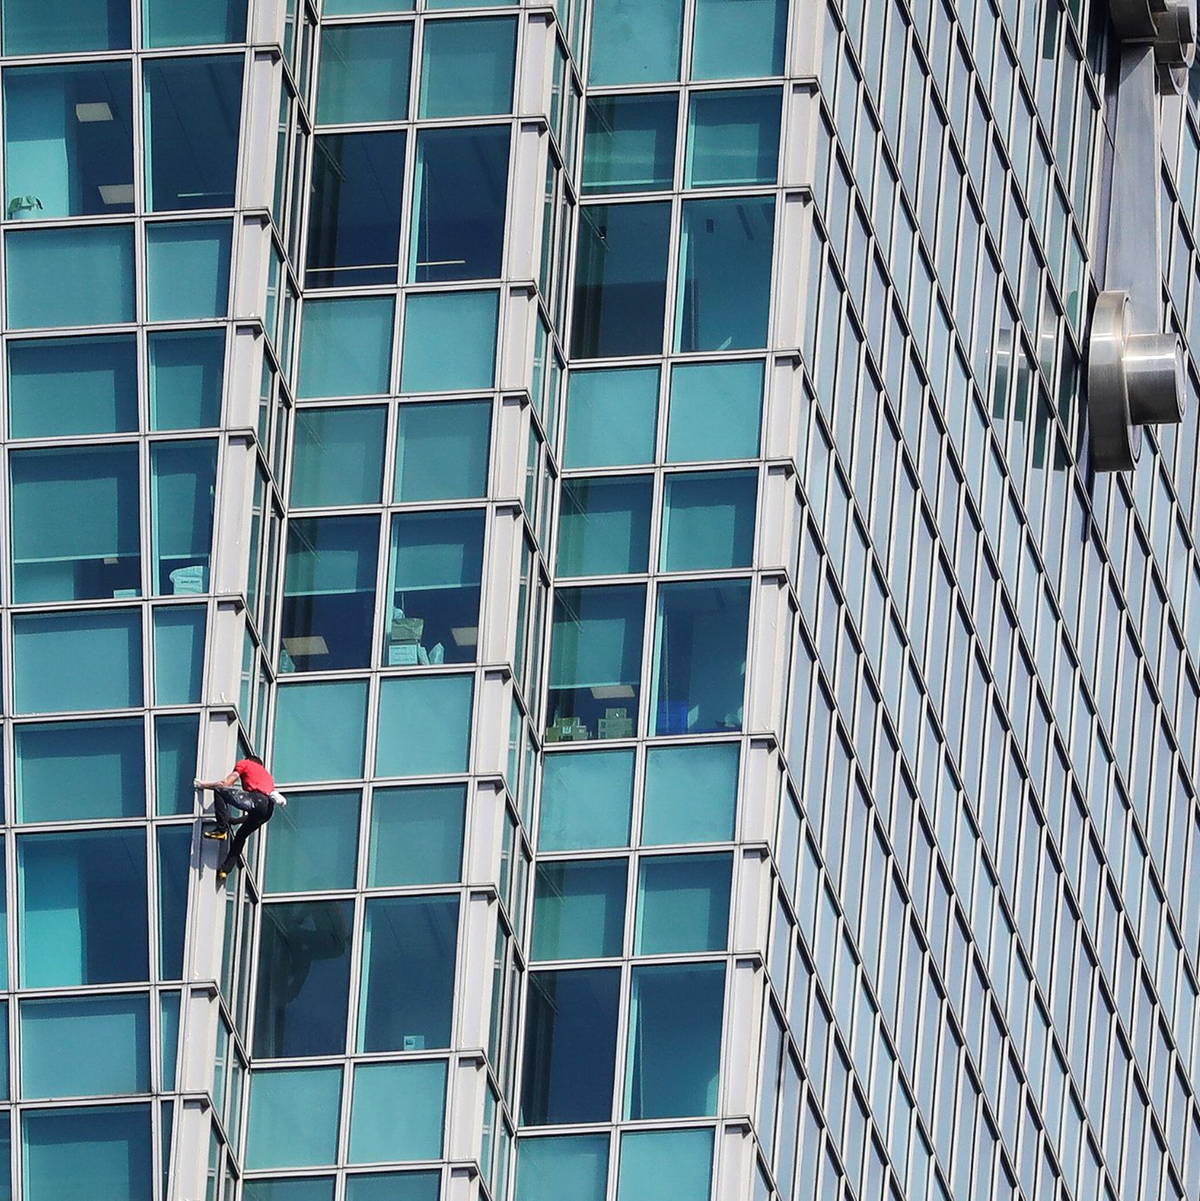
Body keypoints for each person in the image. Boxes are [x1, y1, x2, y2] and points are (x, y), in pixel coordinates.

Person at [194, 754, 287, 881]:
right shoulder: (267, 776)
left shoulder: (245, 763)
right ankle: (225, 870)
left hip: (257, 799)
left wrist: (203, 785)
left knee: (219, 790)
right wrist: (234, 821)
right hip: (267, 810)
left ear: (249, 760)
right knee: (241, 836)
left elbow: (225, 783)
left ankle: (221, 830)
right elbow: (257, 812)